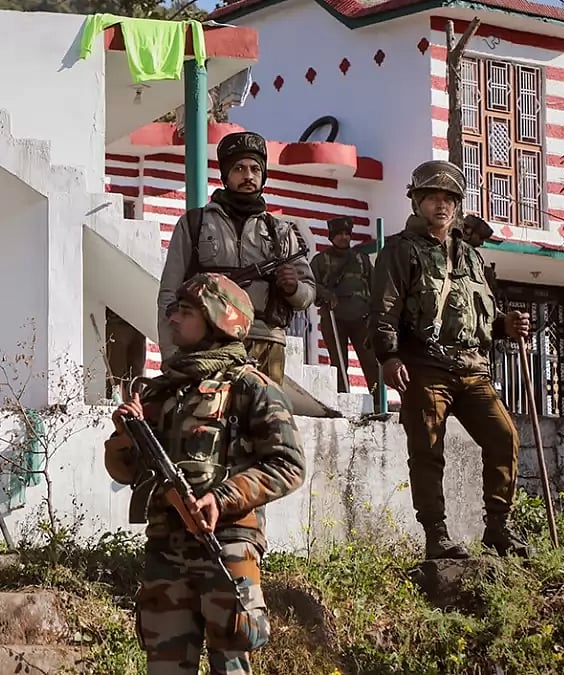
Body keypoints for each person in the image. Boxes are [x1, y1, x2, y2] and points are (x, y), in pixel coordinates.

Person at [106, 272, 305, 674]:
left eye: (185, 311)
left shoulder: (251, 388)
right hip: (167, 545)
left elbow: (289, 464)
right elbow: (124, 473)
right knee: (163, 664)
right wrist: (128, 435)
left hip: (227, 544)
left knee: (230, 661)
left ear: (217, 318)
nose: (174, 320)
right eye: (174, 310)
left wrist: (222, 497)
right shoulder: (162, 391)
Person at [369, 160, 531, 560]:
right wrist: (389, 358)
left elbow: (479, 316)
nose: (441, 205)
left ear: (457, 206)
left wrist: (505, 325)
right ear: (418, 202)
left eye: (448, 199)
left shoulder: (471, 257)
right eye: (432, 198)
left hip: (473, 369)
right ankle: (436, 535)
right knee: (427, 450)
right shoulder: (400, 250)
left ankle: (497, 528)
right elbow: (384, 310)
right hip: (425, 367)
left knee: (504, 437)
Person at [156, 131, 315, 385]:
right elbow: (169, 294)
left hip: (266, 345)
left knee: (264, 420)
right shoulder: (194, 224)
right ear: (226, 175)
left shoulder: (282, 232)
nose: (248, 176)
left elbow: (308, 295)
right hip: (209, 345)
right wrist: (171, 354)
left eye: (255, 169)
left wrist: (293, 287)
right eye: (239, 168)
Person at [310, 216, 380, 393]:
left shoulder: (361, 260)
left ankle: (378, 401)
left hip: (361, 320)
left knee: (370, 361)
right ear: (331, 237)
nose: (343, 237)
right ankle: (343, 399)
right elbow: (309, 284)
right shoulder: (320, 260)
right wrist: (325, 293)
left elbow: (375, 287)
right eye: (339, 234)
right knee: (339, 363)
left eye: (347, 234)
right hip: (334, 318)